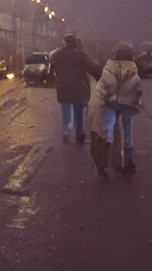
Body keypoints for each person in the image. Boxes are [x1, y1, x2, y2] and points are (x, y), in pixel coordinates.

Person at [90, 41, 143, 180]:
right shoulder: (133, 69)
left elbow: (101, 89)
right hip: (128, 107)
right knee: (127, 135)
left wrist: (104, 101)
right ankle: (129, 164)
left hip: (110, 105)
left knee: (107, 134)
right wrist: (135, 104)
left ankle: (102, 165)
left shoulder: (109, 68)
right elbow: (138, 90)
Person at [49, 34, 102, 143]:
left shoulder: (55, 55)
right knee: (80, 111)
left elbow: (51, 71)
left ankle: (67, 132)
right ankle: (79, 134)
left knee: (66, 112)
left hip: (63, 89)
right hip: (80, 88)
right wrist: (101, 78)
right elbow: (93, 68)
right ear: (76, 43)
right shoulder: (81, 55)